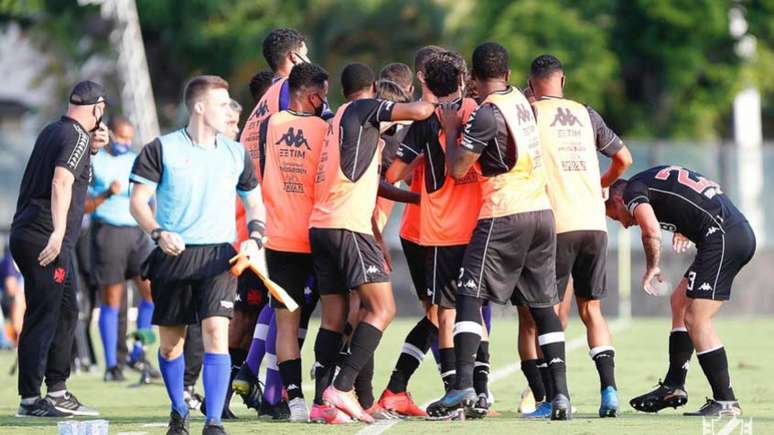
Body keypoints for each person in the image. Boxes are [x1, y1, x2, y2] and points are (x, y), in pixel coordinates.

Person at [427, 42, 572, 421]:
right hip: (542, 213)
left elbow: (457, 169)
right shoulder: (524, 103)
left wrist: (452, 127)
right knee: (543, 306)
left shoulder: (487, 114)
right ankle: (561, 396)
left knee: (468, 293)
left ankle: (461, 384)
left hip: (504, 213)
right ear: (508, 76)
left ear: (473, 79)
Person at [129, 75, 265, 435]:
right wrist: (157, 232)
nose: (228, 111)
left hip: (219, 257)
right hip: (172, 255)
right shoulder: (161, 149)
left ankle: (214, 421)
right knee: (172, 345)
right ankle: (178, 410)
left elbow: (255, 203)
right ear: (200, 107)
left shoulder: (237, 154)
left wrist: (255, 237)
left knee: (216, 333)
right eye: (222, 104)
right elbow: (138, 202)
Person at [308, 63, 435, 424]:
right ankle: (341, 386)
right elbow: (421, 111)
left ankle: (322, 404)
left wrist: (410, 203)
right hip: (348, 226)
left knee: (334, 317)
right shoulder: (365, 109)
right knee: (383, 309)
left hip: (322, 226)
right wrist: (427, 87)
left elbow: (371, 183)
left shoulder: (336, 122)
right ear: (375, 88)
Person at [516, 54, 633, 418]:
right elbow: (624, 159)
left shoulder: (531, 113)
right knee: (592, 312)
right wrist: (598, 185)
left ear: (532, 84)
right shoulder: (586, 113)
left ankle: (553, 397)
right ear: (562, 80)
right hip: (594, 223)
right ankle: (609, 392)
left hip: (558, 224)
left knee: (546, 314)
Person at [383, 50, 487, 417]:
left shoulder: (427, 119)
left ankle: (455, 391)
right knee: (467, 309)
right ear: (462, 80)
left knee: (442, 314)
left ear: (425, 82)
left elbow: (392, 174)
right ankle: (470, 391)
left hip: (441, 229)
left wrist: (421, 182)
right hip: (483, 226)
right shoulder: (481, 110)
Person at [606, 166, 756, 417]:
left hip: (722, 237)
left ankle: (726, 401)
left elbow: (650, 229)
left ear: (619, 199)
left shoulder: (632, 191)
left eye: (614, 216)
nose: (622, 224)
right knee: (680, 301)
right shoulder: (647, 182)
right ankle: (674, 385)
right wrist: (683, 223)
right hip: (728, 233)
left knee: (697, 318)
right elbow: (685, 191)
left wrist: (652, 267)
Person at [10, 80, 109, 417]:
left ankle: (57, 389)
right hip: (44, 236)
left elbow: (75, 175)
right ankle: (29, 399)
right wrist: (59, 232)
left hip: (30, 232)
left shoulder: (54, 131)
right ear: (97, 108)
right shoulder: (77, 136)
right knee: (44, 314)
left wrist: (93, 150)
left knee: (67, 310)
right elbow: (61, 181)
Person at [250, 62, 330, 423]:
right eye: (322, 95)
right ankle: (324, 394)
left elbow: (267, 170)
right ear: (311, 94)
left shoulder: (271, 125)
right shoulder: (324, 128)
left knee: (286, 323)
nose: (324, 102)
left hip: (278, 238)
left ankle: (293, 399)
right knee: (333, 317)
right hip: (315, 236)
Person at [87, 115, 157, 382]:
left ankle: (138, 352)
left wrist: (153, 224)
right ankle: (112, 365)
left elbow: (147, 196)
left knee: (151, 294)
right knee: (112, 299)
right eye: (121, 137)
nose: (125, 142)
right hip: (109, 232)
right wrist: (106, 194)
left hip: (138, 234)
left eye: (130, 138)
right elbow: (82, 205)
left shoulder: (136, 159)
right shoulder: (96, 161)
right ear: (111, 135)